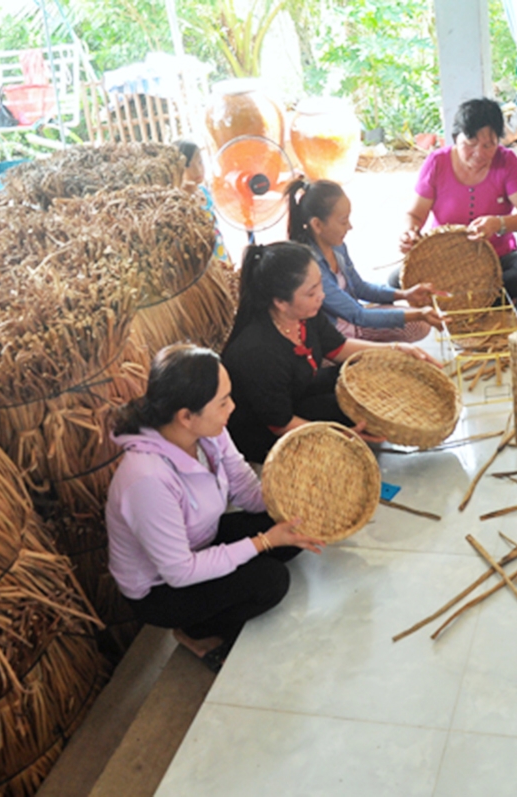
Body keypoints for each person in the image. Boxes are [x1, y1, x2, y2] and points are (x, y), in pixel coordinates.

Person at [106, 344, 325, 672]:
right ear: (186, 416)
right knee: (271, 581)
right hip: (161, 588)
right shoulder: (146, 479)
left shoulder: (210, 432)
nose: (232, 407)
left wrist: (294, 501)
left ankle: (234, 580)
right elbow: (179, 571)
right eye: (223, 402)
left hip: (200, 540)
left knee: (289, 531)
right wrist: (263, 542)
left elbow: (245, 488)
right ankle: (195, 630)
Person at [222, 241, 440, 464]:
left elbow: (339, 348)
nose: (322, 295)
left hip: (296, 393)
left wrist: (395, 350)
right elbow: (280, 424)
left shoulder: (303, 314)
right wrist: (338, 435)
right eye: (311, 292)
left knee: (363, 378)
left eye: (320, 284)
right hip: (264, 432)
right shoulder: (257, 352)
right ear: (280, 302)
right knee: (353, 414)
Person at [400, 97, 517, 299]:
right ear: (456, 138)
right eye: (470, 144)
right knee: (397, 280)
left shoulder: (506, 161)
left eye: (489, 145)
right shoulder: (437, 162)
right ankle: (484, 298)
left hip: (496, 259)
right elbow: (415, 215)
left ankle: (460, 298)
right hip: (445, 259)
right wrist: (409, 232)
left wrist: (498, 224)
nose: (479, 153)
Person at [286, 177, 445, 343]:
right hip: (337, 336)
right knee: (415, 324)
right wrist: (419, 314)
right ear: (317, 225)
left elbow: (360, 287)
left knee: (415, 324)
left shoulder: (337, 247)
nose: (350, 227)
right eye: (343, 221)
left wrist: (405, 294)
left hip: (353, 319)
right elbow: (358, 315)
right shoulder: (310, 267)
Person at [176, 140, 230, 264]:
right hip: (204, 261)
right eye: (188, 165)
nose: (197, 169)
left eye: (200, 162)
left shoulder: (204, 191)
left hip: (220, 253)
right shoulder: (181, 200)